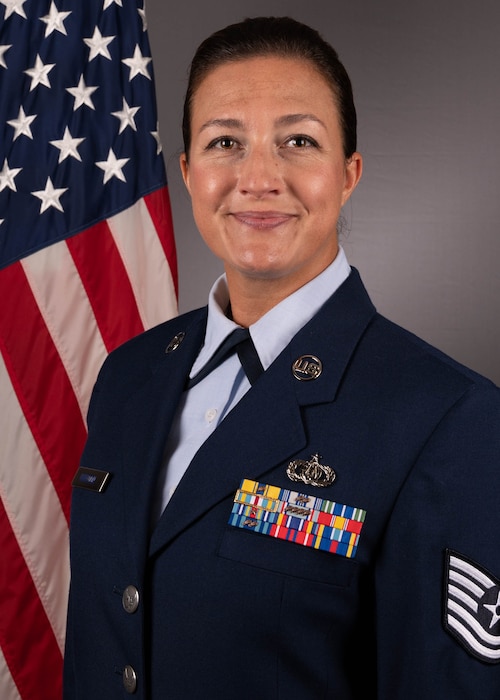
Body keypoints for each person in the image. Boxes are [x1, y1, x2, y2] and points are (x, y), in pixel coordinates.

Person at [63, 16, 500, 699]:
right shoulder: (129, 375)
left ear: (348, 172)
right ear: (187, 172)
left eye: (298, 141)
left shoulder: (448, 418)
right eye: (224, 142)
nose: (258, 177)